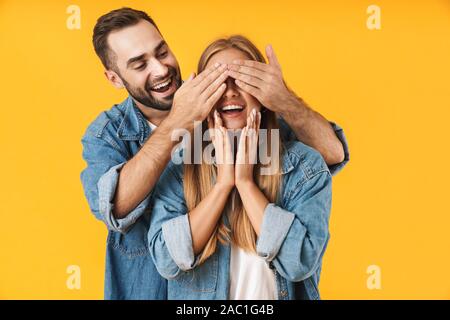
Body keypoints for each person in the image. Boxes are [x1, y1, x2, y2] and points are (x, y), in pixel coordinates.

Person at [80, 7, 349, 299]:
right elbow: (116, 207)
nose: (160, 69)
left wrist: (282, 99)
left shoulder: (229, 109)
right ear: (114, 78)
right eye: (139, 64)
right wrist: (179, 123)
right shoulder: (107, 134)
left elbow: (329, 153)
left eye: (161, 52)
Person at [148, 36, 333, 300]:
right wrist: (223, 184)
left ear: (263, 92)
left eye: (243, 80)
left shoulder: (304, 166)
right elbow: (166, 259)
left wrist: (245, 183)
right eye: (217, 82)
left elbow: (299, 262)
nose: (230, 91)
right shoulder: (180, 165)